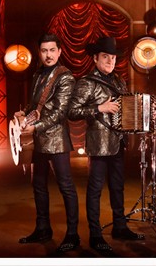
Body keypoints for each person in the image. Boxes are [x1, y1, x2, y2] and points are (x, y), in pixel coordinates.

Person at [69, 36, 144, 253]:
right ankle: (95, 235)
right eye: (105, 57)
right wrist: (98, 109)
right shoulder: (86, 82)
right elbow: (72, 112)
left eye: (113, 57)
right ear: (95, 58)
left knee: (118, 187)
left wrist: (143, 115)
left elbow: (126, 109)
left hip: (118, 142)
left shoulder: (119, 81)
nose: (110, 61)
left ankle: (120, 227)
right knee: (95, 190)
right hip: (99, 144)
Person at [14, 33, 79, 251]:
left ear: (59, 52)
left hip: (57, 139)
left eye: (52, 50)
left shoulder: (65, 77)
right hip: (38, 140)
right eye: (44, 51)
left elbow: (60, 112)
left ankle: (73, 235)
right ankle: (43, 229)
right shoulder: (38, 73)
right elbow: (35, 105)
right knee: (38, 185)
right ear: (39, 53)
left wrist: (36, 127)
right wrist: (23, 114)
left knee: (66, 186)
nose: (48, 55)